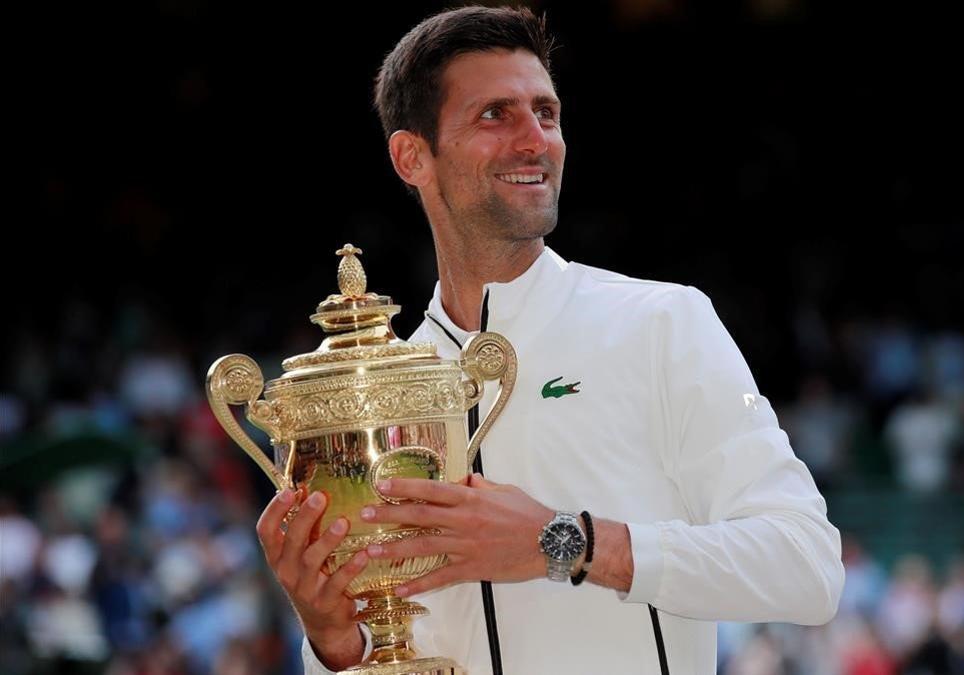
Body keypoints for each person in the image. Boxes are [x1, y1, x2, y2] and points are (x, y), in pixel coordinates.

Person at [254, 6, 844, 674]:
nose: (536, 139)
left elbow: (808, 565)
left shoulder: (663, 321)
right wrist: (334, 643)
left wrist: (565, 541)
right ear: (412, 155)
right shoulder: (376, 392)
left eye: (546, 112)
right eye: (494, 115)